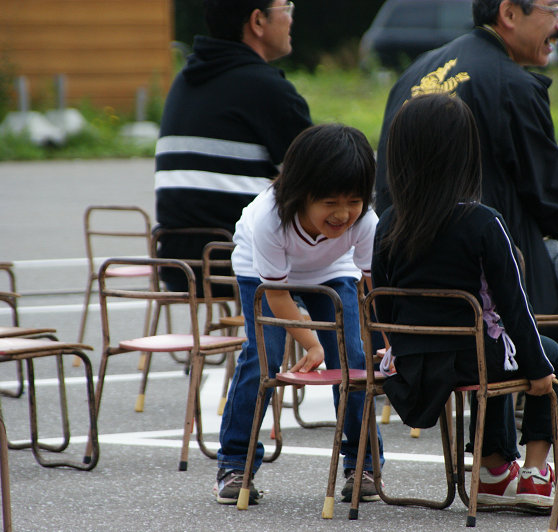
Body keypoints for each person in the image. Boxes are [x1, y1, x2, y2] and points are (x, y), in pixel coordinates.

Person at [373, 93, 558, 509]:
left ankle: (494, 471)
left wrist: (397, 347)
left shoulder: (389, 221)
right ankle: (535, 474)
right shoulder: (484, 221)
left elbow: (383, 302)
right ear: (466, 155)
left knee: (492, 348)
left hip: (415, 362)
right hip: (475, 357)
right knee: (544, 354)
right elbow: (515, 307)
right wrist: (538, 368)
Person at [374, 0, 558, 321]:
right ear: (510, 13)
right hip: (495, 298)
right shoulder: (513, 85)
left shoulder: (415, 72)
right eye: (555, 10)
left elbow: (386, 189)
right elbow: (554, 200)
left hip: (409, 290)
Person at [215, 124, 385, 505]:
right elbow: (277, 295)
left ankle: (363, 462)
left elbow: (375, 288)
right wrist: (311, 343)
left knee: (353, 359)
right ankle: (234, 463)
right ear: (300, 192)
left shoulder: (365, 221)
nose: (342, 213)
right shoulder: (270, 218)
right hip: (261, 271)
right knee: (264, 358)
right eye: (329, 202)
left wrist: (392, 342)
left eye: (354, 201)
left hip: (332, 267)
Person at [154, 0, 311, 293]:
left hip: (179, 265)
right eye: (286, 8)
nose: (290, 19)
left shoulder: (184, 81)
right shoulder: (268, 89)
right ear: (258, 21)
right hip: (244, 265)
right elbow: (323, 179)